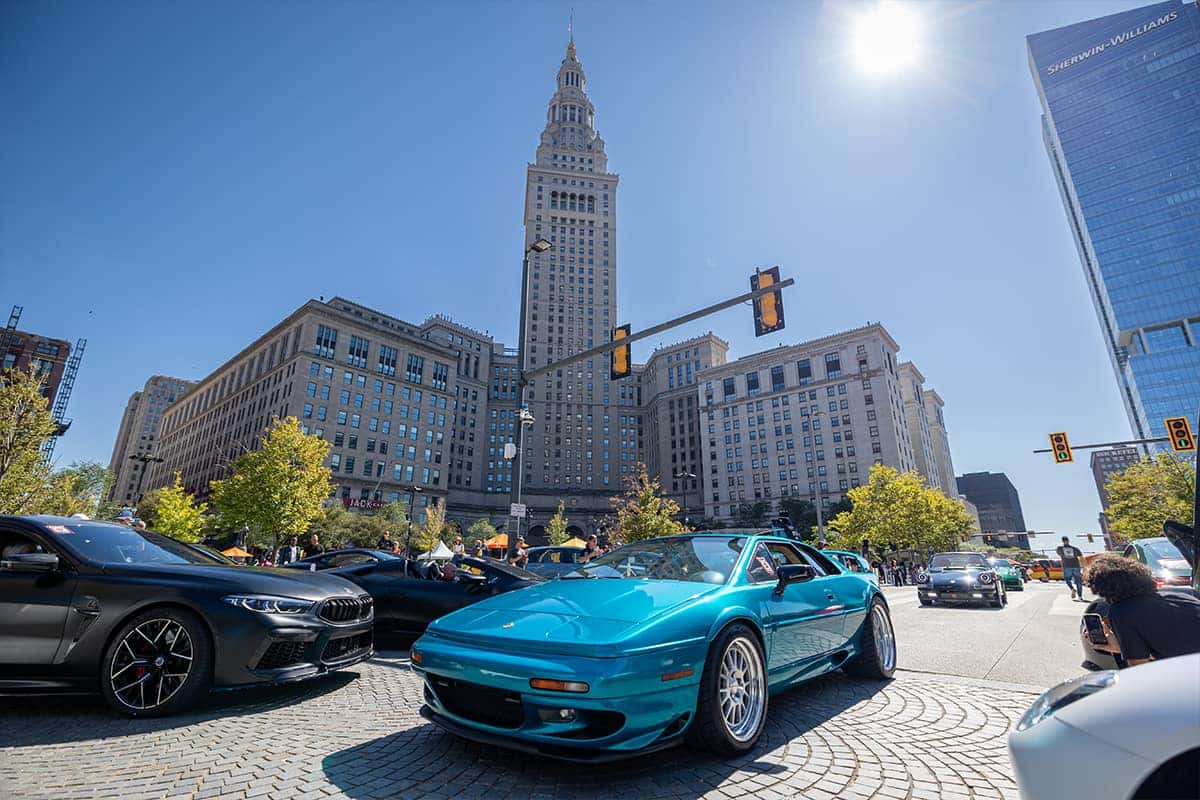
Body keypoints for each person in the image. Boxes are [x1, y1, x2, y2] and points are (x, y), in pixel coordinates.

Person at [1085, 553, 1200, 666]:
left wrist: (1122, 648)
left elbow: (1139, 668)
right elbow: (1178, 647)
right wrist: (1124, 648)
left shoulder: (1121, 612)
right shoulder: (1180, 596)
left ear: (1102, 589)